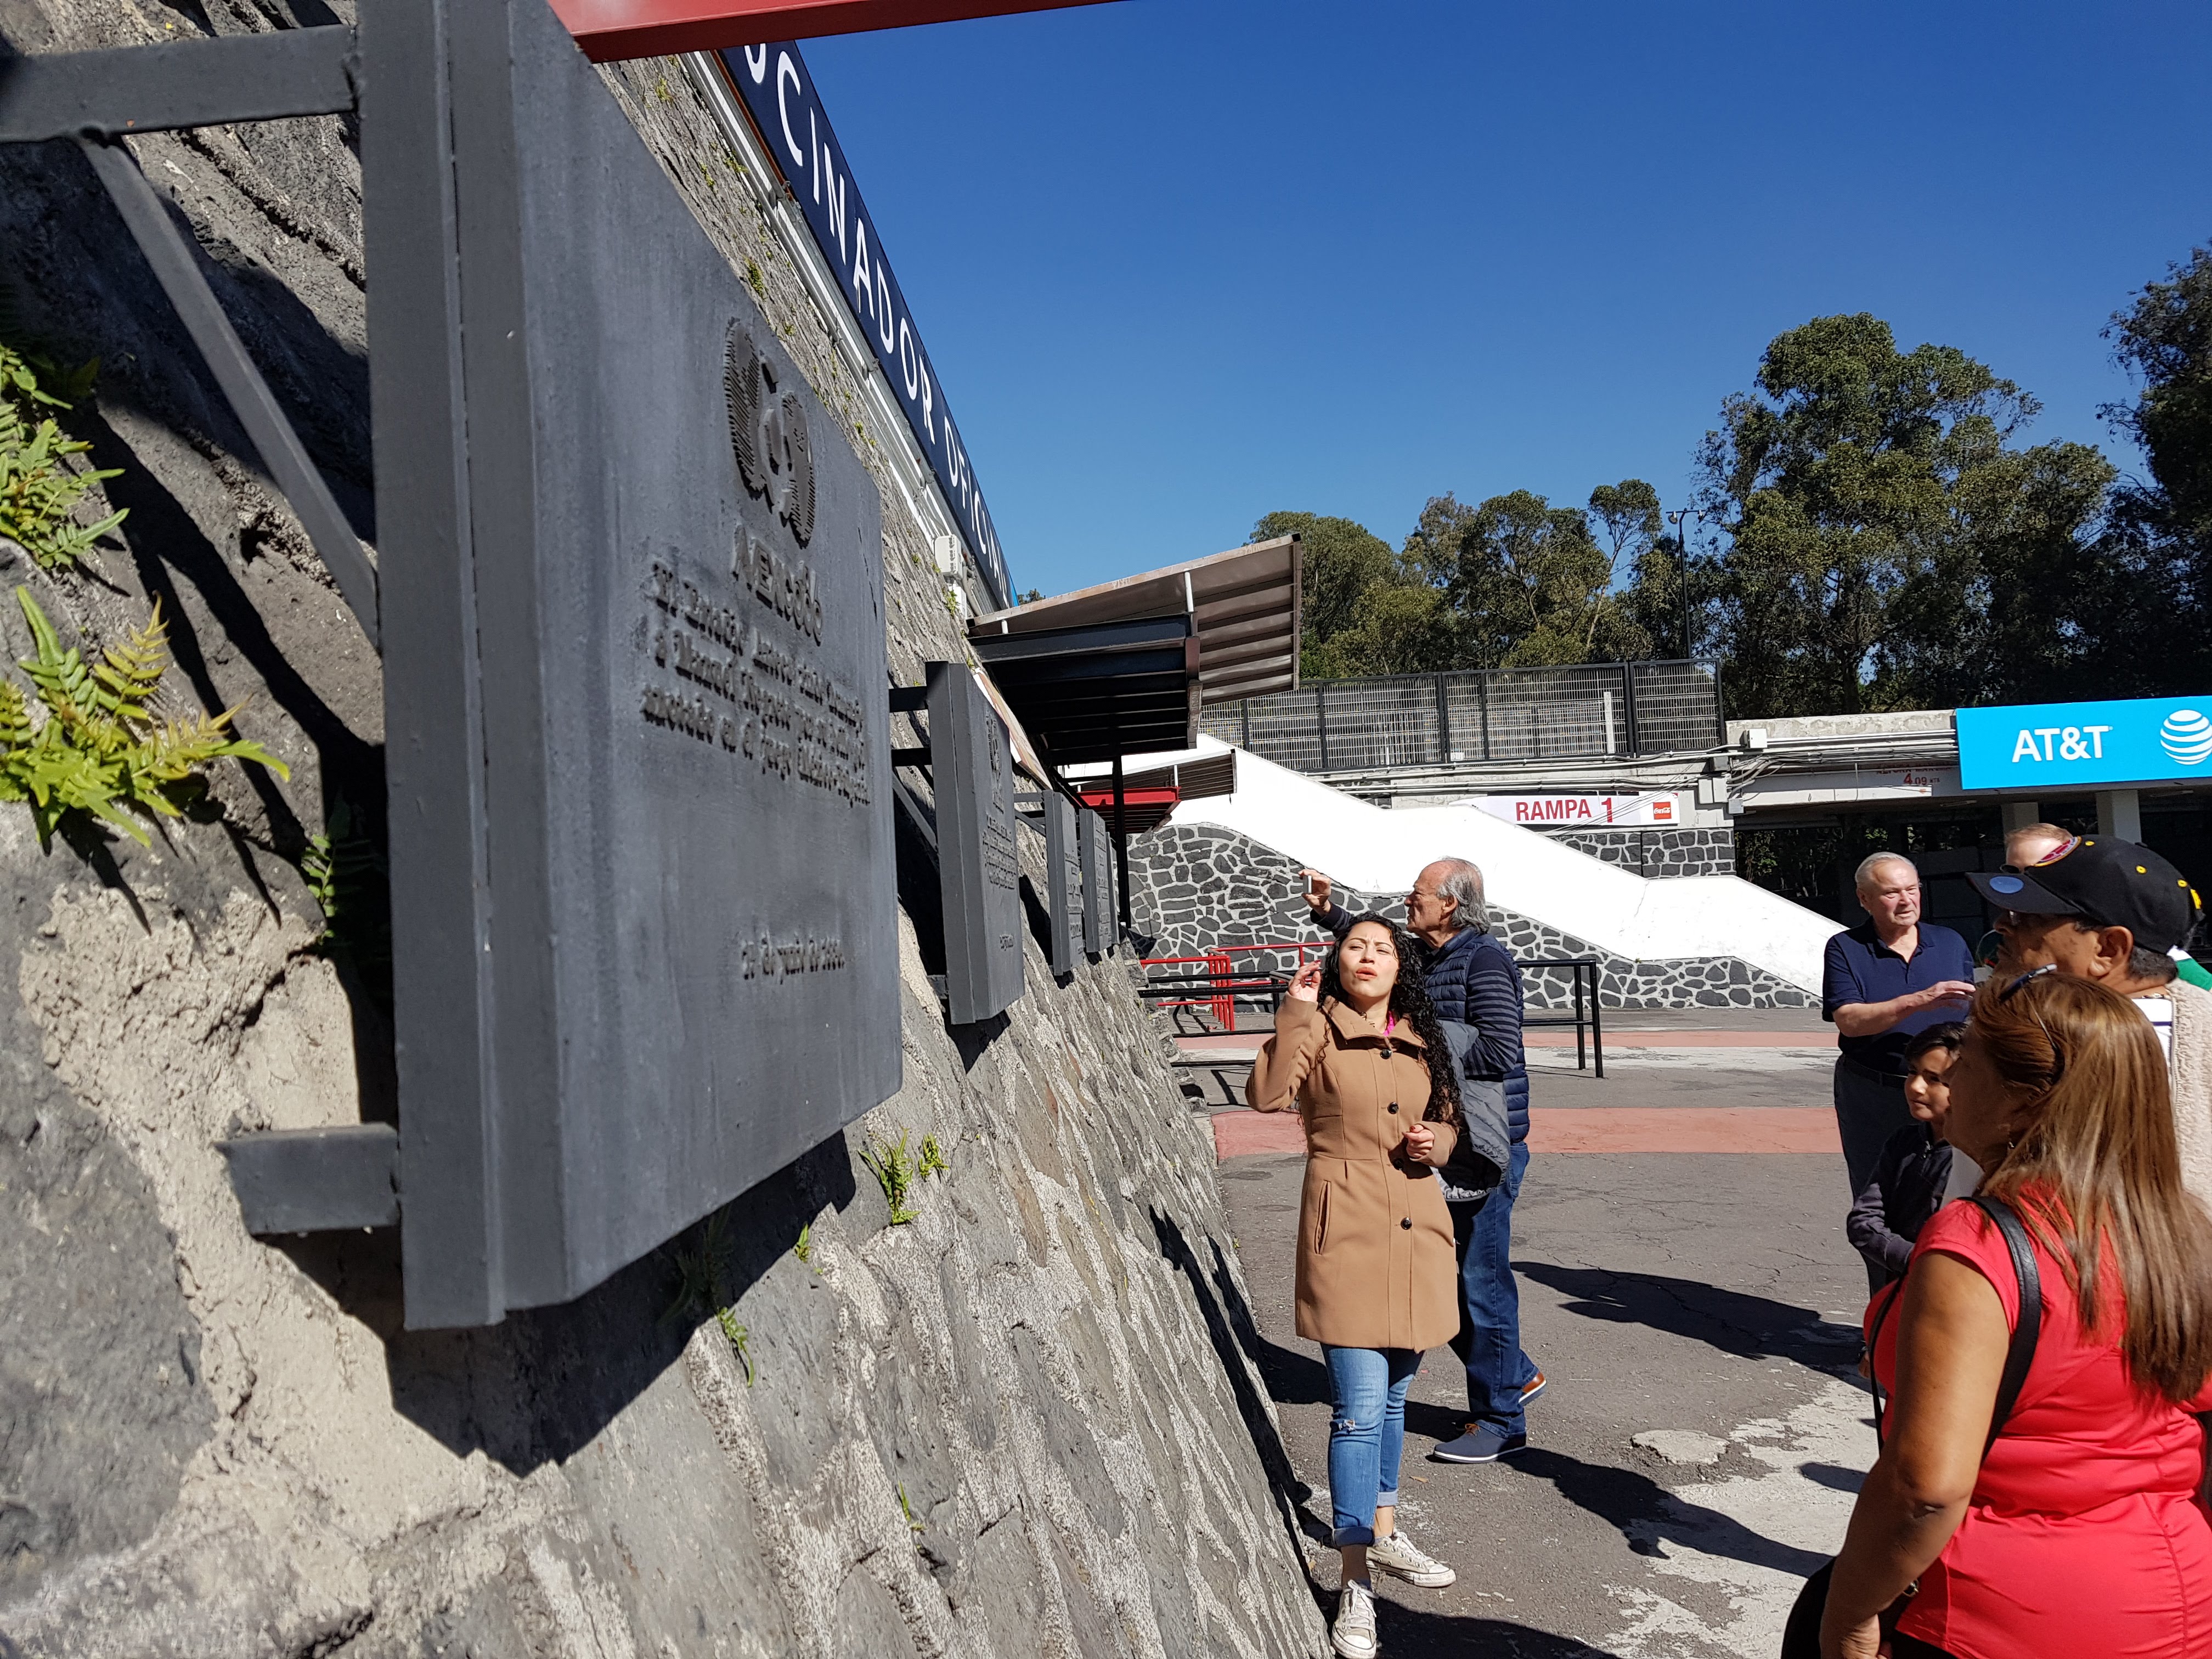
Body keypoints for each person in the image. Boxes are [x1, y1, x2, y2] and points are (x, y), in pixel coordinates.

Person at [1817, 970, 2212, 1659]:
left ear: (2022, 1104)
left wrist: (1847, 1615)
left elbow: (1925, 1490)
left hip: (2000, 1611)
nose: (1946, 1085)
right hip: (2174, 1595)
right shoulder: (2182, 1233)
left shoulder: (1980, 1244)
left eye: (1966, 1065)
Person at [1248, 916, 1465, 1659]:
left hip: (1418, 1229)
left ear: (1398, 964)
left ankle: (1384, 1526)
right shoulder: (1320, 1028)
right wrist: (1296, 1013)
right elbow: (1268, 1094)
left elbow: (1448, 1121)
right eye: (1354, 947)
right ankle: (1355, 1579)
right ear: (1336, 964)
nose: (1367, 956)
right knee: (1358, 1410)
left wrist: (1444, 1142)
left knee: (1397, 1396)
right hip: (1345, 1233)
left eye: (1381, 948)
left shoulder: (1418, 1036)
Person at [1302, 862, 1542, 1463]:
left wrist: (1423, 1037)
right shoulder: (1426, 955)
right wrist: (1331, 914)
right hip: (1439, 1141)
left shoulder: (1485, 961)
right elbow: (1372, 945)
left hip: (1484, 1148)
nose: (1408, 901)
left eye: (1418, 895)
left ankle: (1501, 1419)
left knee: (1480, 1287)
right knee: (1442, 1277)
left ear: (1452, 907)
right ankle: (1515, 1374)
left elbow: (1500, 1048)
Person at [1968, 833, 2212, 1214]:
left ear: (2108, 949)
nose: (2002, 924)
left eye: (2031, 917)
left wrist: (1985, 1147)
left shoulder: (2059, 1043)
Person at [1821, 854, 1976, 1286]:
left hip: (1948, 1096)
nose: (1906, 901)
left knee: (1951, 1197)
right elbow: (1850, 1020)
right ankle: (1886, 1317)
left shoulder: (1949, 942)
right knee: (1879, 1205)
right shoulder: (1846, 948)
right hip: (1873, 1091)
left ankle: (1943, 1308)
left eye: (1912, 889)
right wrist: (1920, 1000)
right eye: (1892, 893)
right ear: (1866, 899)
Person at [1844, 1024, 1959, 1286]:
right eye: (1912, 1072)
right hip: (1901, 1287)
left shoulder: (1976, 1157)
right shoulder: (1904, 1142)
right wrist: (1916, 1261)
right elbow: (1864, 1220)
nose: (1916, 1087)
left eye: (1934, 1079)